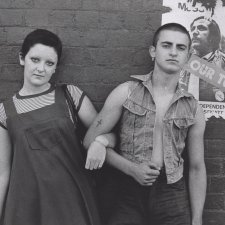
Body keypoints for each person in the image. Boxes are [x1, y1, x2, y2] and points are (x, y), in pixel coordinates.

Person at [83, 23, 207, 225]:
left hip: (172, 193)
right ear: (153, 51)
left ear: (188, 56)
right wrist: (132, 169)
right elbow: (89, 141)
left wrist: (197, 218)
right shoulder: (126, 92)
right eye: (166, 45)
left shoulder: (193, 108)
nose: (173, 52)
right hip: (127, 190)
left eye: (181, 48)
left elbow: (196, 167)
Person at [0, 29, 115, 225]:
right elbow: (3, 172)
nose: (41, 68)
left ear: (55, 68)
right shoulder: (5, 111)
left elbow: (111, 134)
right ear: (22, 58)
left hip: (72, 202)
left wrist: (101, 141)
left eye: (49, 63)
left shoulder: (71, 95)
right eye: (35, 60)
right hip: (26, 208)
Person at [182, 16, 225, 101]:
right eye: (193, 29)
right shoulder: (183, 62)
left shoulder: (223, 61)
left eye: (201, 28)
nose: (194, 32)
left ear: (213, 36)